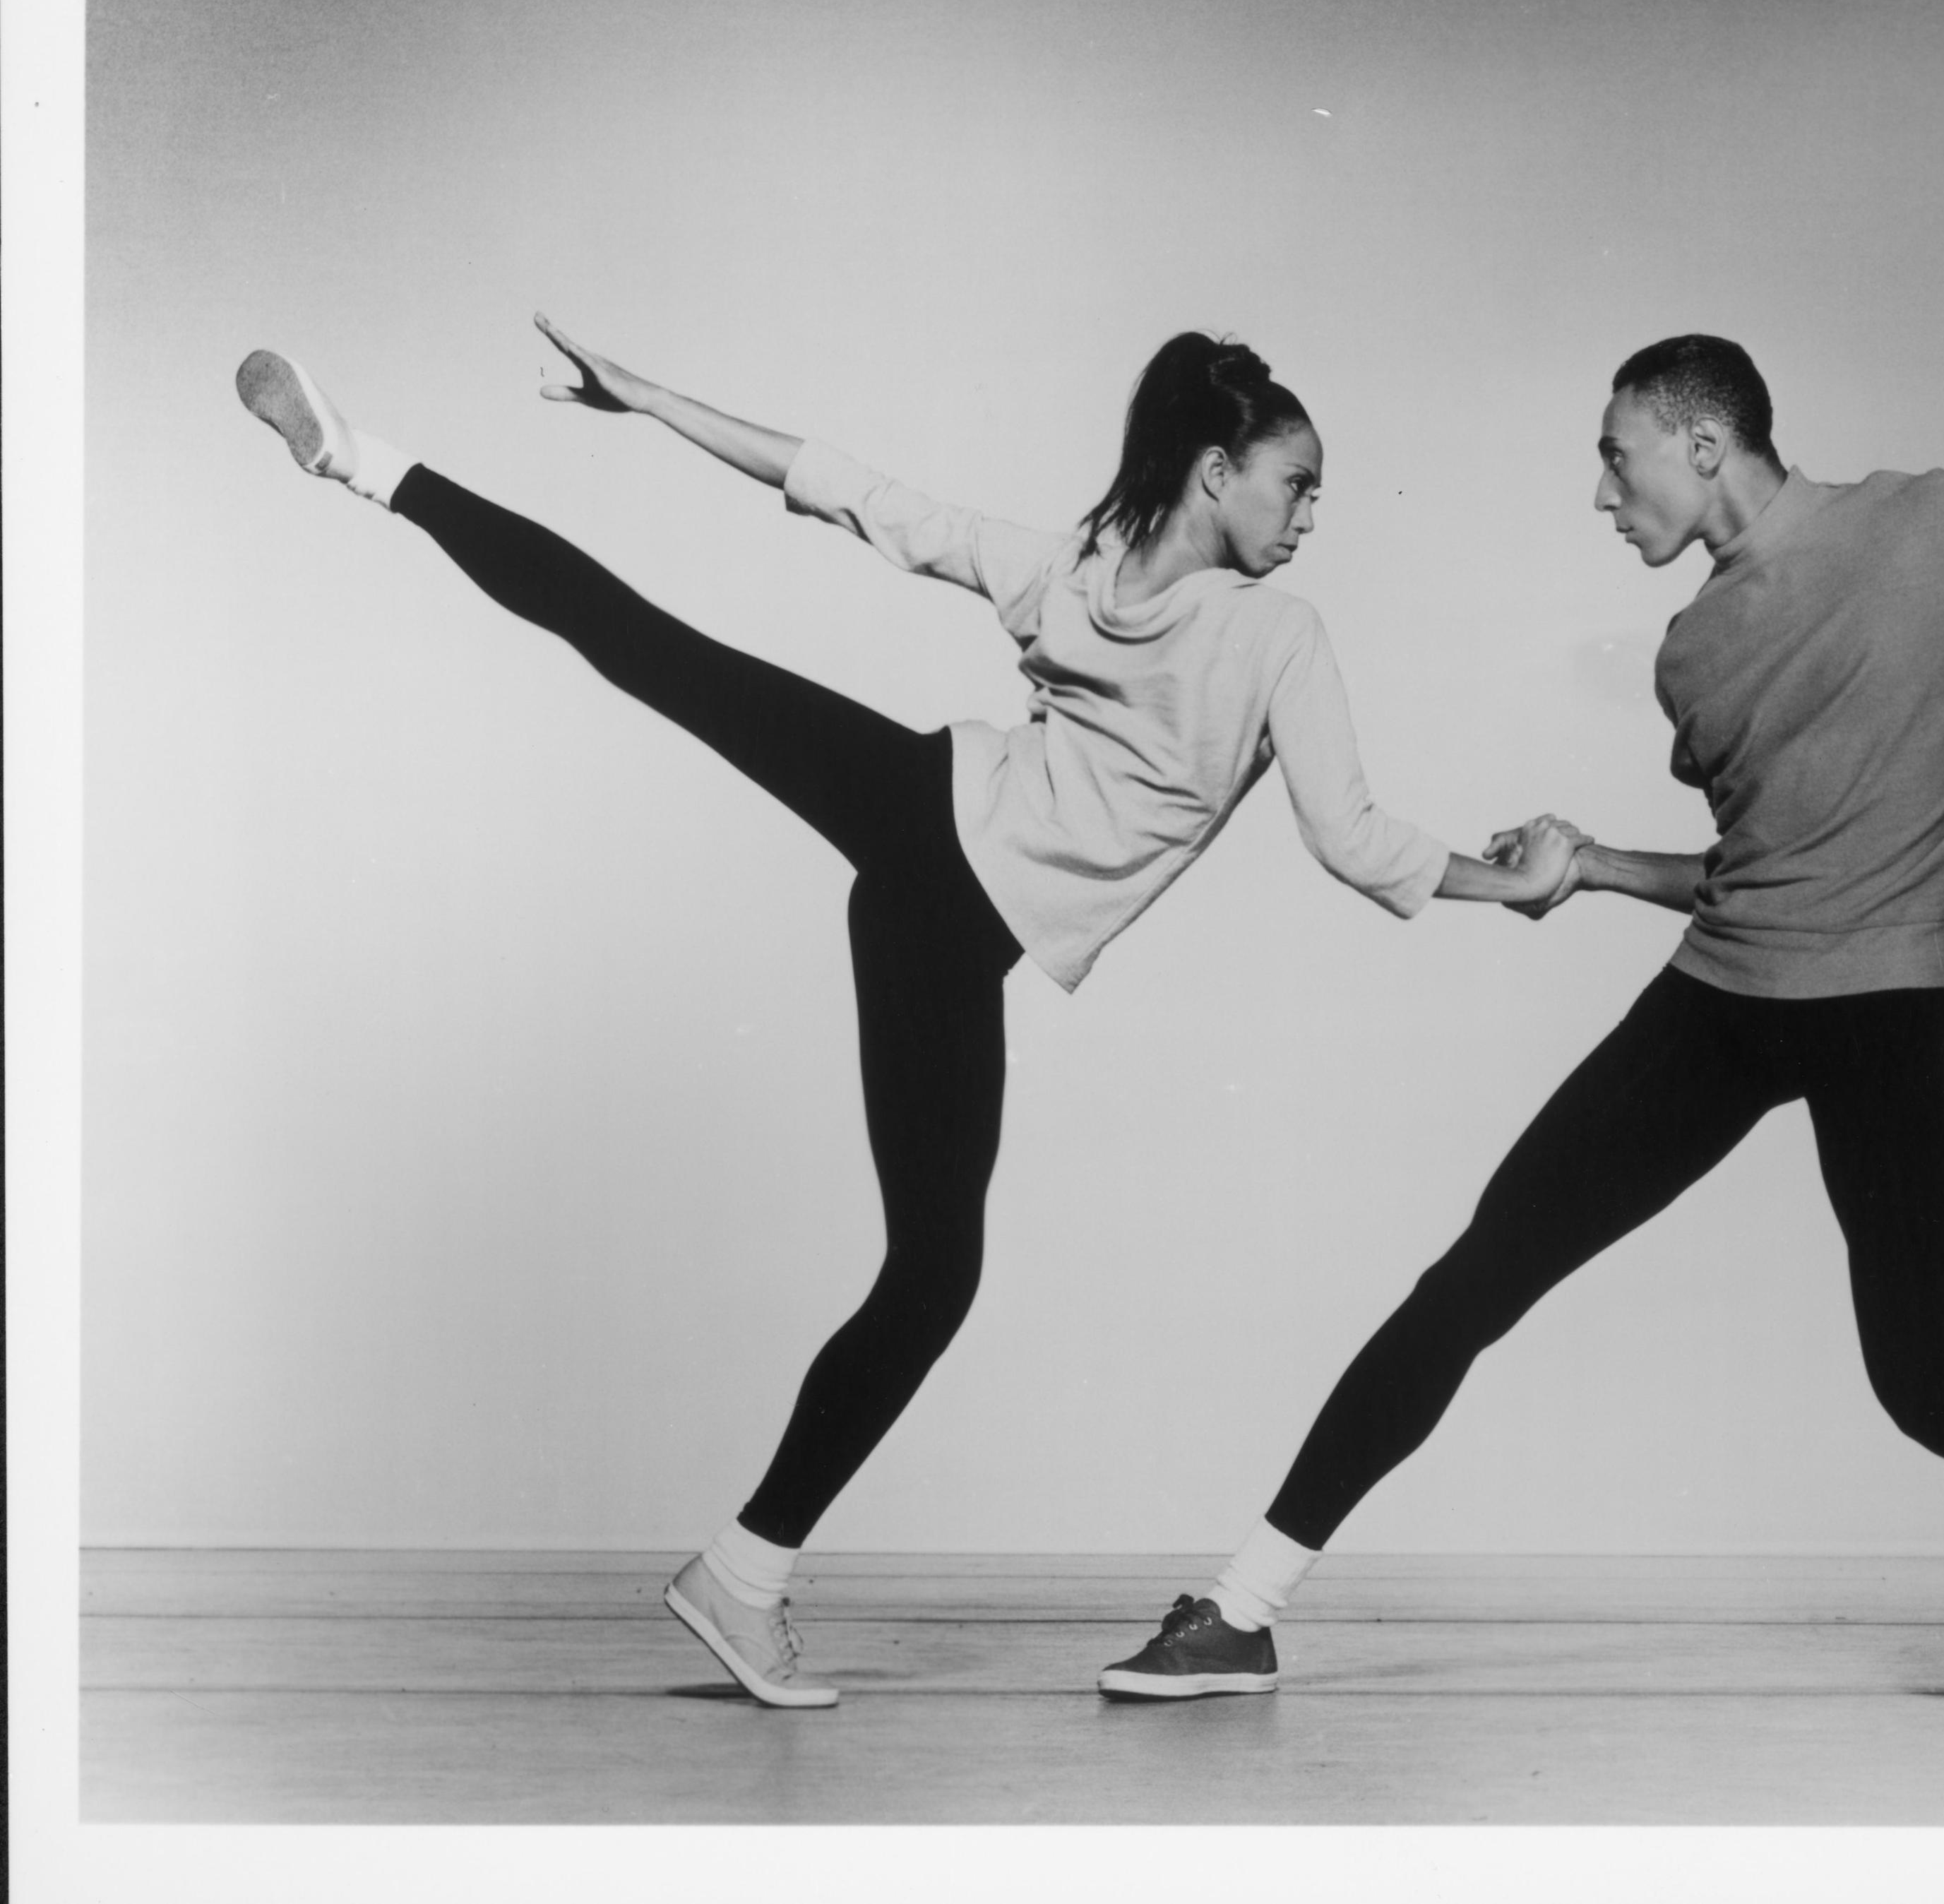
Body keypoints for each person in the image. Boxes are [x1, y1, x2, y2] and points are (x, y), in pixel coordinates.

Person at [233, 322, 1581, 1709]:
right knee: (933, 1279)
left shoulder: (1075, 571)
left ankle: (364, 461)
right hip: (948, 921)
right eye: (1296, 485)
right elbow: (1352, 840)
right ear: (1219, 470)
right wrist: (1513, 885)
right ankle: (741, 1576)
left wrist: (649, 400)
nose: (1309, 518)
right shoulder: (1277, 634)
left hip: (908, 822)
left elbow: (852, 491)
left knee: (644, 646)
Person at [1101, 333, 1944, 1728]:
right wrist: (1593, 864)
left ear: (1701, 444)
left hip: (1882, 1009)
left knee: (1932, 1383)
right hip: (1724, 1000)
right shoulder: (1695, 656)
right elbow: (1759, 865)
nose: (1603, 496)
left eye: (1616, 457)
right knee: (1478, 1276)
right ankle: (1241, 1613)